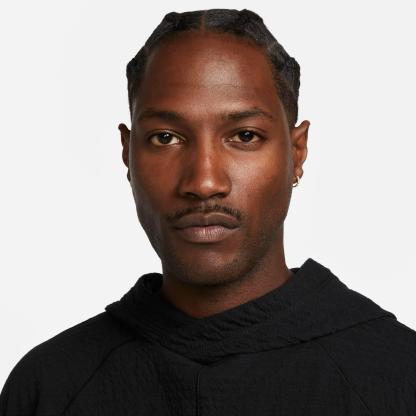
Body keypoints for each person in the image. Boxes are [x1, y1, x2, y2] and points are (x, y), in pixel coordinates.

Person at [1, 8, 415, 415]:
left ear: (297, 152)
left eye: (245, 136)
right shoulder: (50, 387)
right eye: (165, 138)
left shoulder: (399, 377)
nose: (203, 182)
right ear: (128, 153)